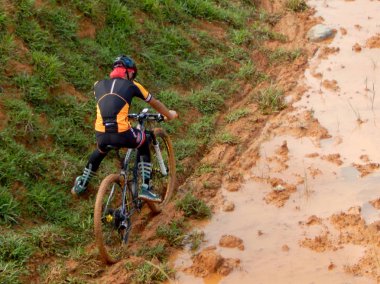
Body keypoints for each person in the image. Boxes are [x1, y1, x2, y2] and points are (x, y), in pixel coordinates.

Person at [71, 55, 178, 202]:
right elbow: (155, 103)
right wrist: (169, 115)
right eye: (133, 74)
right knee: (144, 140)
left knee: (101, 149)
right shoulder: (133, 85)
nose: (133, 77)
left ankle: (82, 183)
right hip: (122, 133)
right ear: (128, 72)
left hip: (101, 133)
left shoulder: (98, 85)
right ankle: (146, 188)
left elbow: (111, 104)